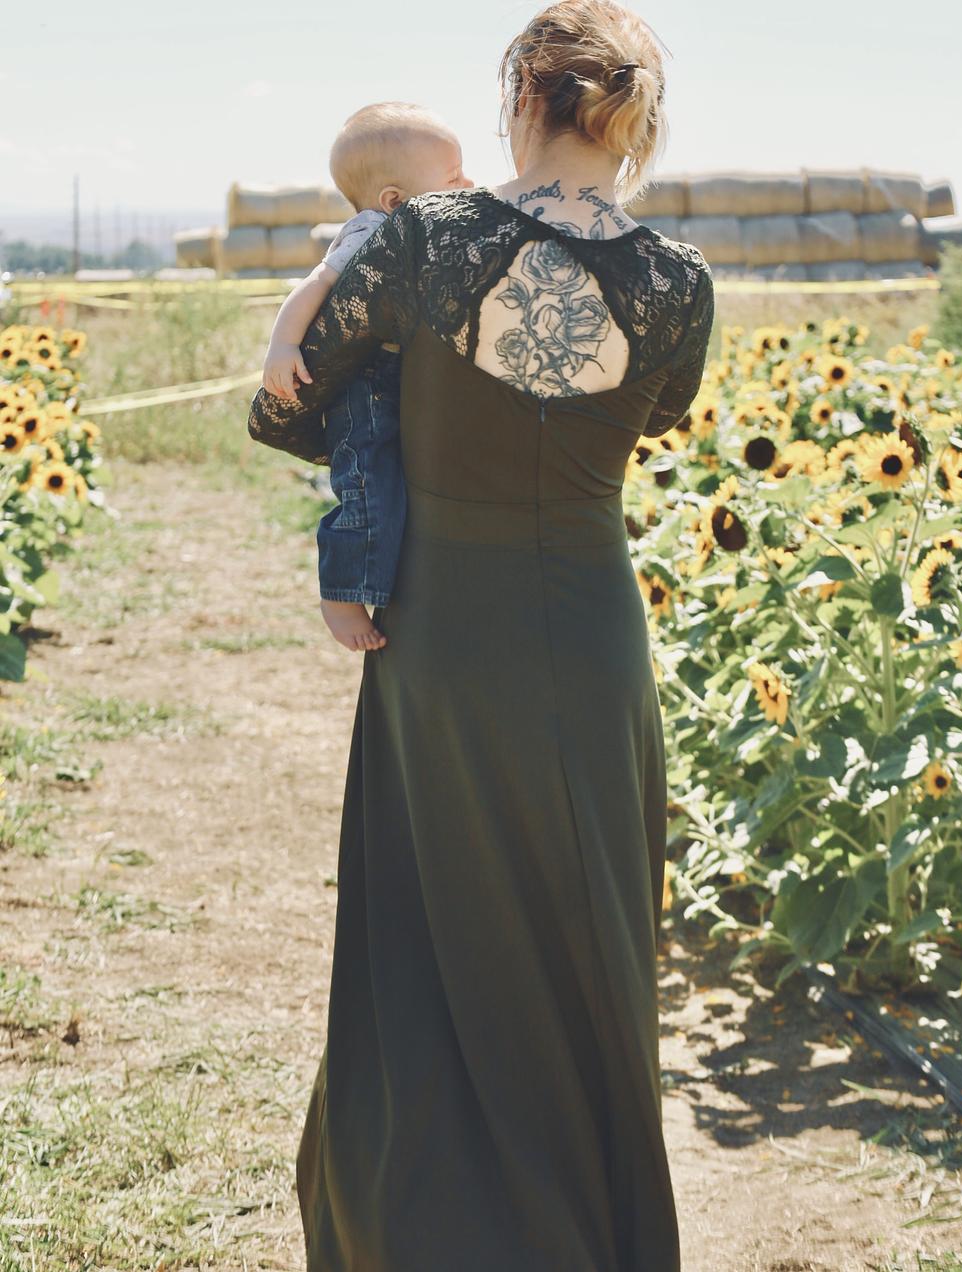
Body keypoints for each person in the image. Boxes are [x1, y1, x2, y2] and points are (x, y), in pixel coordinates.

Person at [246, 0, 714, 1266]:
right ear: (627, 120)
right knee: (588, 943)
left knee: (427, 934)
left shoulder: (425, 239)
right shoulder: (679, 283)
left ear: (521, 97)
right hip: (595, 637)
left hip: (443, 632)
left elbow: (288, 404)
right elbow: (655, 417)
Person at [261, 103, 473, 652]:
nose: (468, 185)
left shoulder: (422, 230)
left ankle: (383, 577)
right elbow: (316, 284)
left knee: (397, 483)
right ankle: (341, 592)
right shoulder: (373, 231)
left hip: (399, 375)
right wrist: (283, 345)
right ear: (394, 200)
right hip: (365, 384)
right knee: (367, 482)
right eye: (453, 177)